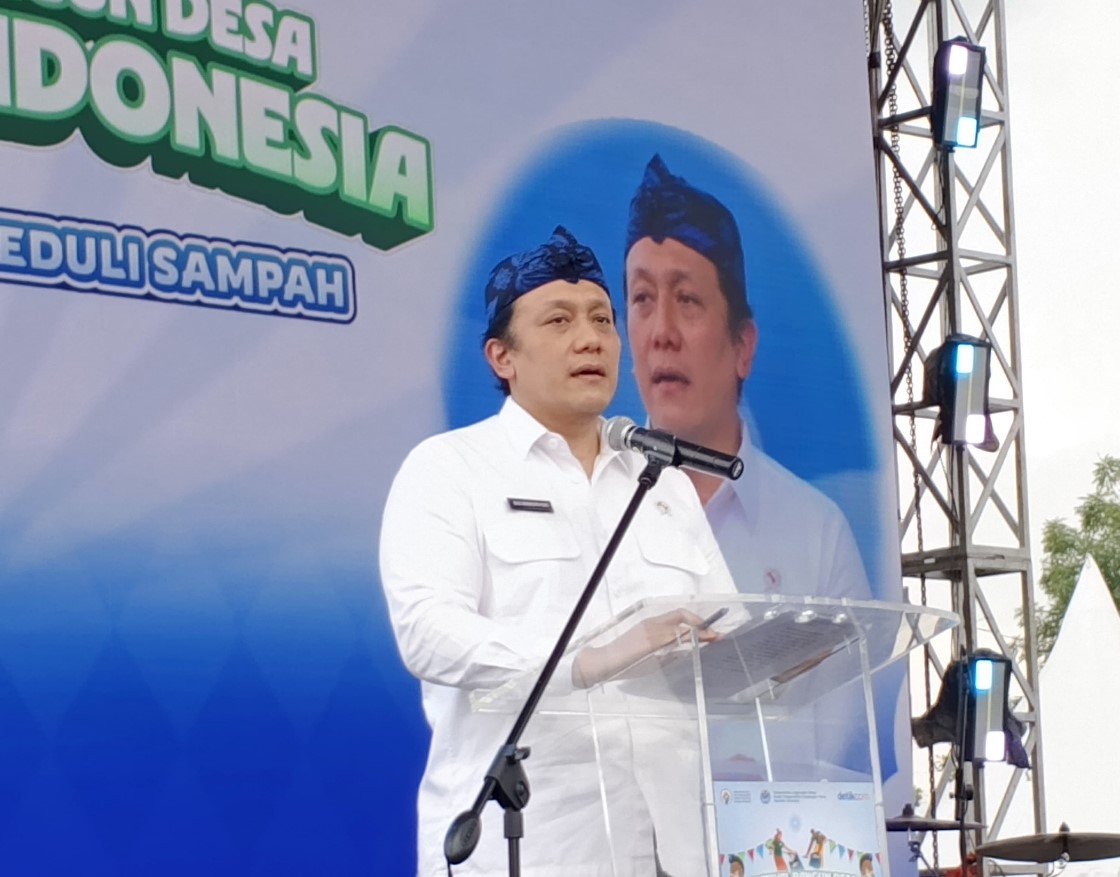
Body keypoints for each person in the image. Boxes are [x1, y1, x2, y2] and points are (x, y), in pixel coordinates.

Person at [380, 226, 736, 876]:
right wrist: (585, 661)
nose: (590, 338)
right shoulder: (450, 469)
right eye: (559, 320)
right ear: (501, 357)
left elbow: (727, 631)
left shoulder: (663, 482)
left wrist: (789, 647)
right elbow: (428, 633)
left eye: (603, 319)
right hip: (533, 845)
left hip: (678, 849)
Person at [623, 154, 871, 603]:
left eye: (687, 299)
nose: (662, 333)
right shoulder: (592, 509)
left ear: (742, 346)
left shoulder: (816, 533)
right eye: (642, 298)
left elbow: (860, 655)